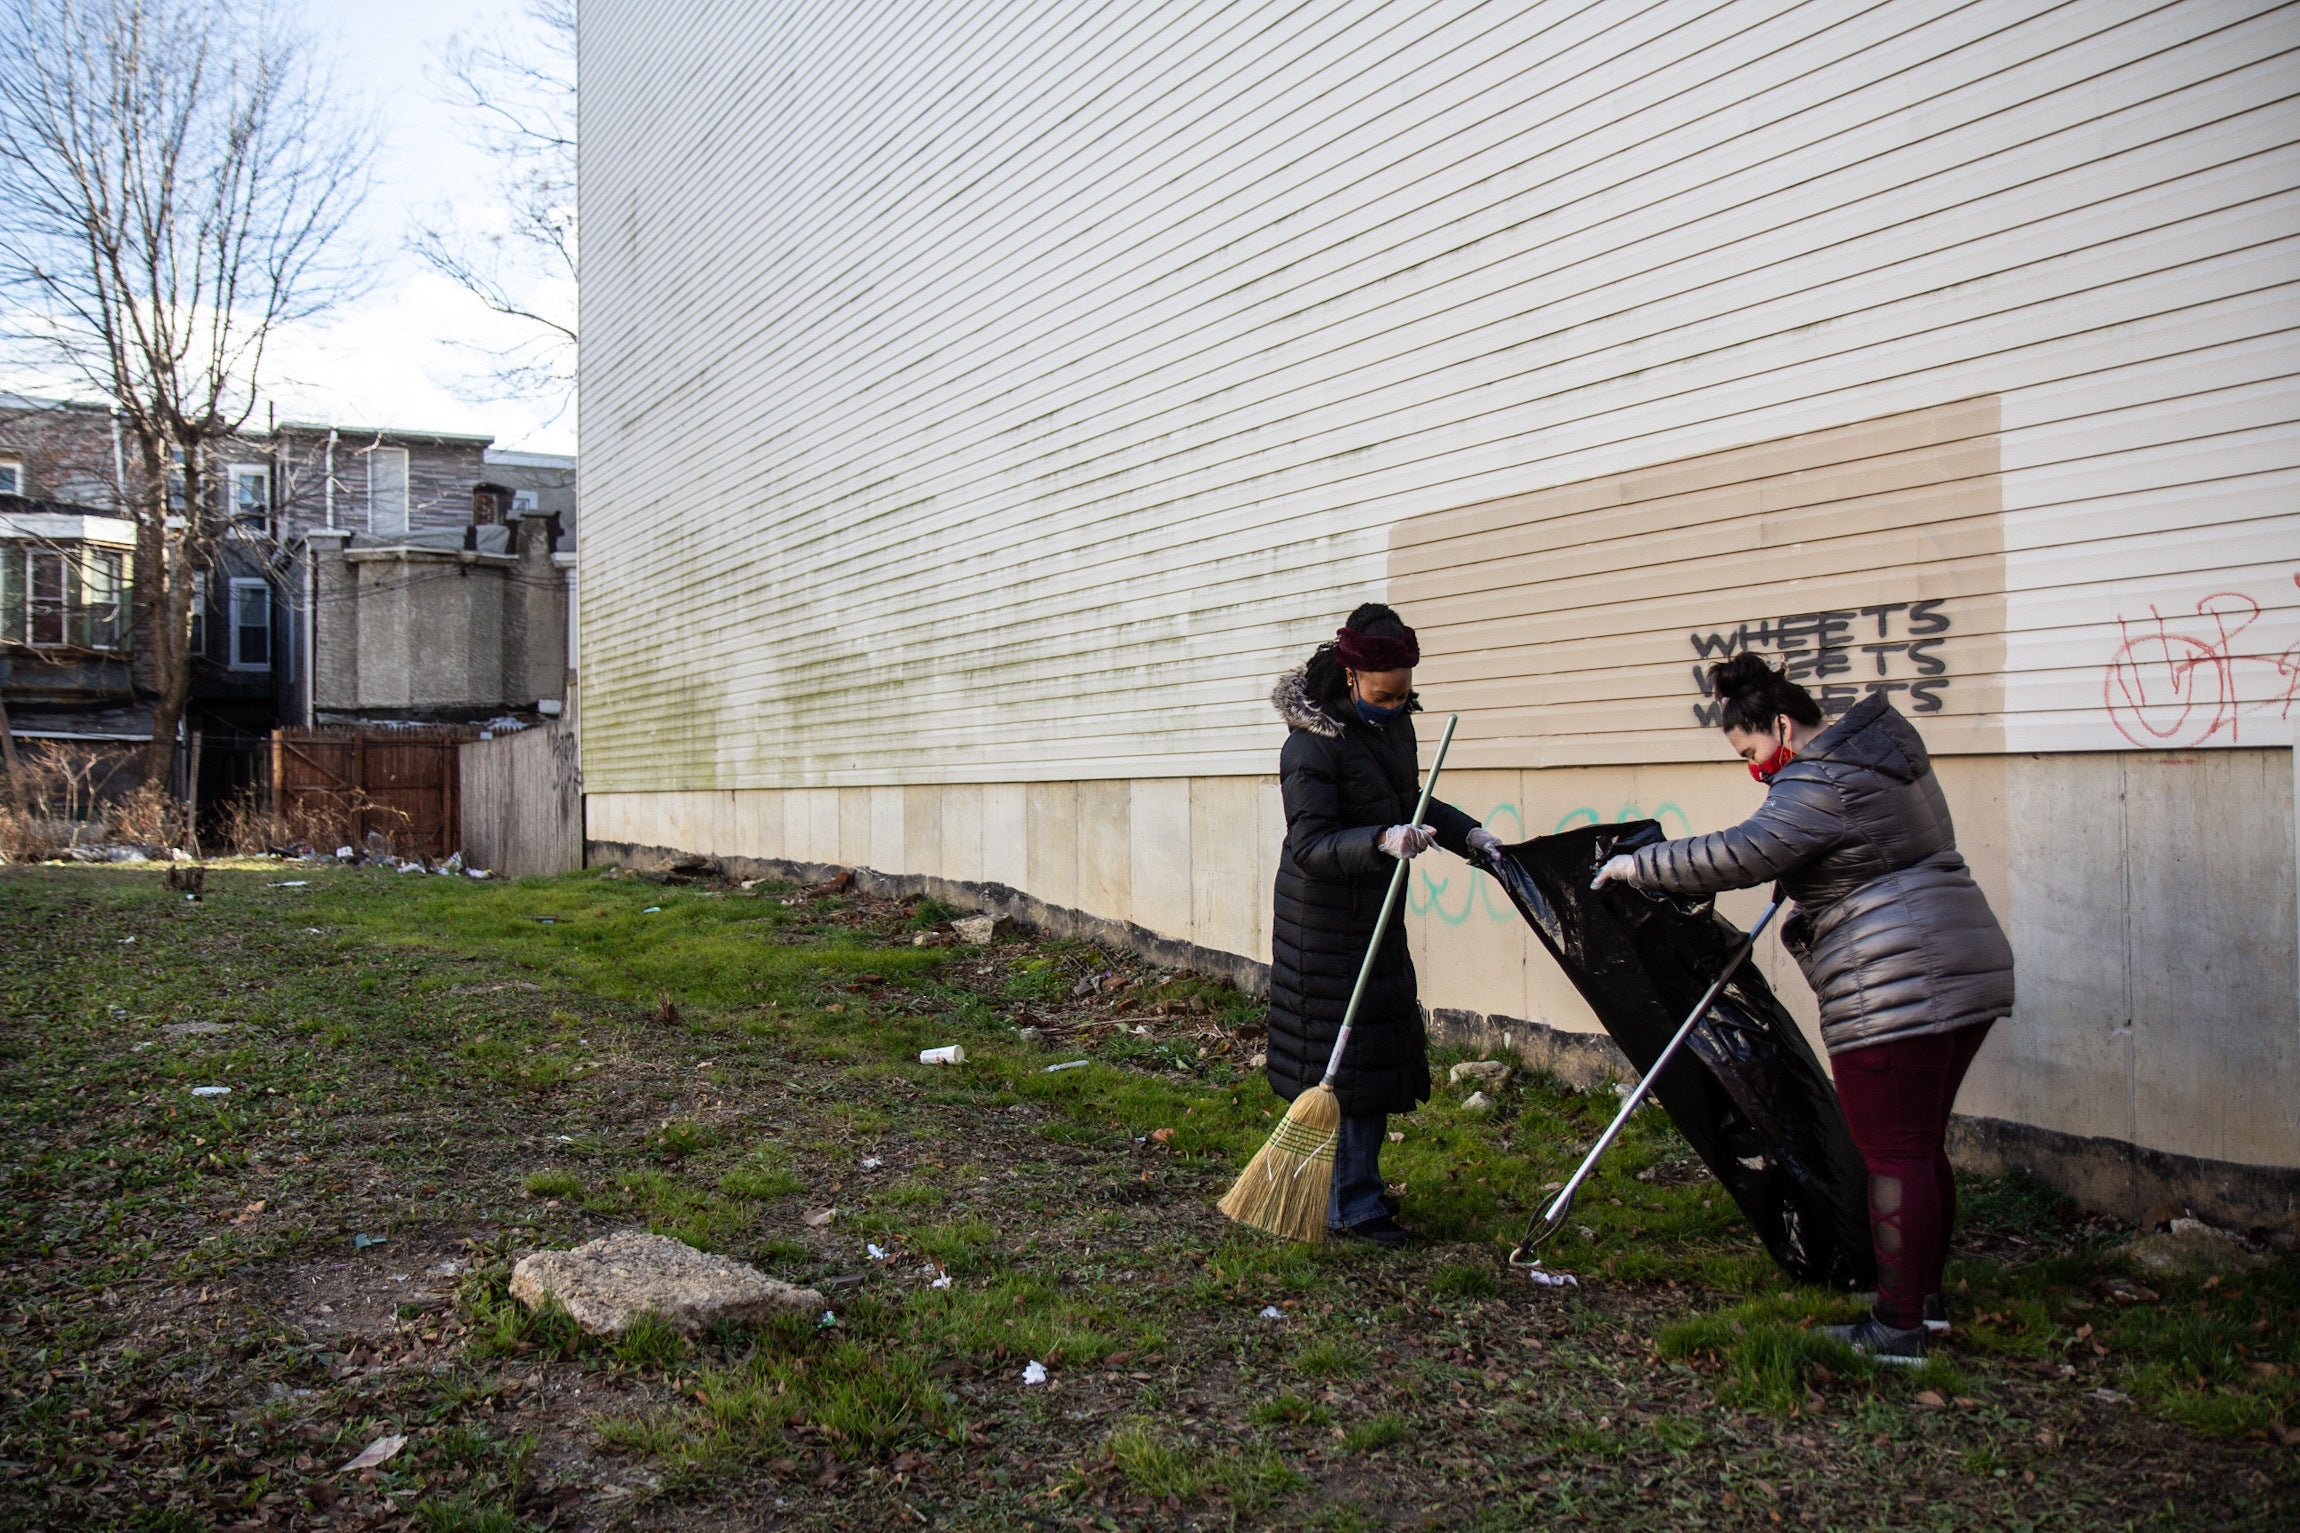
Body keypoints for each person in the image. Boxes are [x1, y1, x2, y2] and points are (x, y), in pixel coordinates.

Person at [1593, 654, 2014, 1362]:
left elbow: (1745, 851)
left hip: (1896, 979)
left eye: (1752, 752)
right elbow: (1854, 851)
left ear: (1783, 725)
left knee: (1893, 1150)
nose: (1755, 769)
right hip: (1961, 959)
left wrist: (1643, 865)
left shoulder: (1821, 780)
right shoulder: (1880, 758)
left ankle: (1896, 1327)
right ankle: (1923, 1304)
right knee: (1918, 1144)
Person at [1267, 603, 1504, 1248]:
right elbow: (1312, 846)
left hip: (1374, 910)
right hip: (1324, 926)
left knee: (1367, 1060)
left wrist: (1468, 836)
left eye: (1404, 694)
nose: (1396, 705)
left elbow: (1411, 801)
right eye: (1383, 694)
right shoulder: (1310, 743)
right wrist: (1380, 839)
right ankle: (1351, 1205)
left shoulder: (1394, 728)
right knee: (1346, 1067)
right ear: (1351, 677)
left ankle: (1352, 1193)